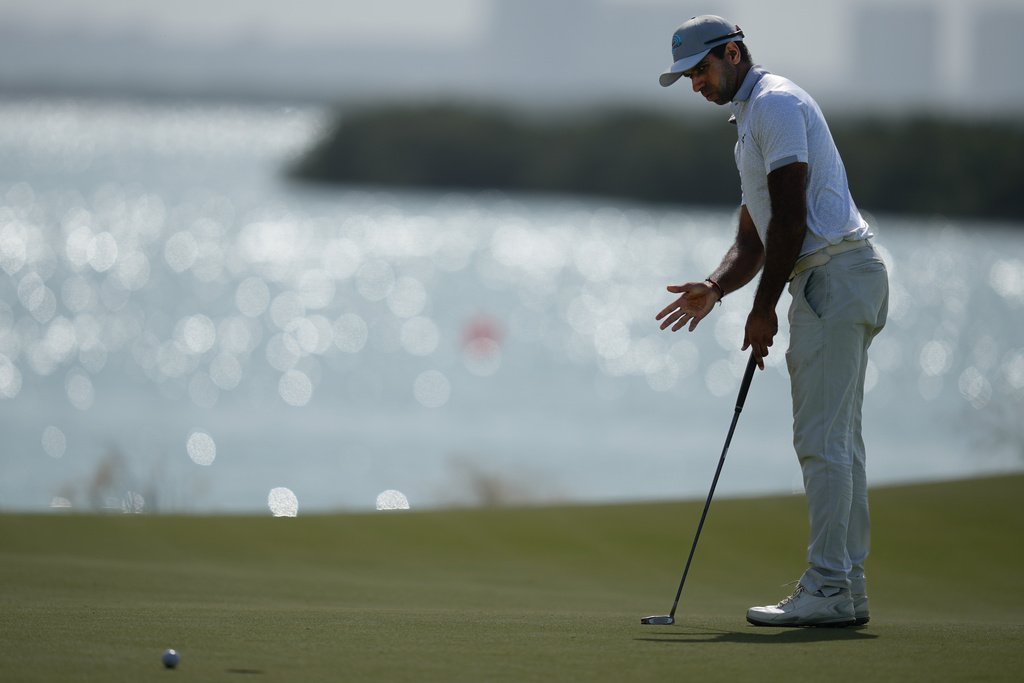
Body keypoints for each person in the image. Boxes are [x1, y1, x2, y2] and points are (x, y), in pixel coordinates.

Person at [654, 15, 889, 627]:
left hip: (832, 276)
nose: (697, 86)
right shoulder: (751, 120)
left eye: (702, 70)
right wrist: (715, 286)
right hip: (835, 277)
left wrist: (763, 310)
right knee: (840, 443)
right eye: (688, 78)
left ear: (733, 53)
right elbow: (754, 237)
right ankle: (847, 586)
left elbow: (790, 218)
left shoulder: (776, 105)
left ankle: (831, 586)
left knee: (822, 442)